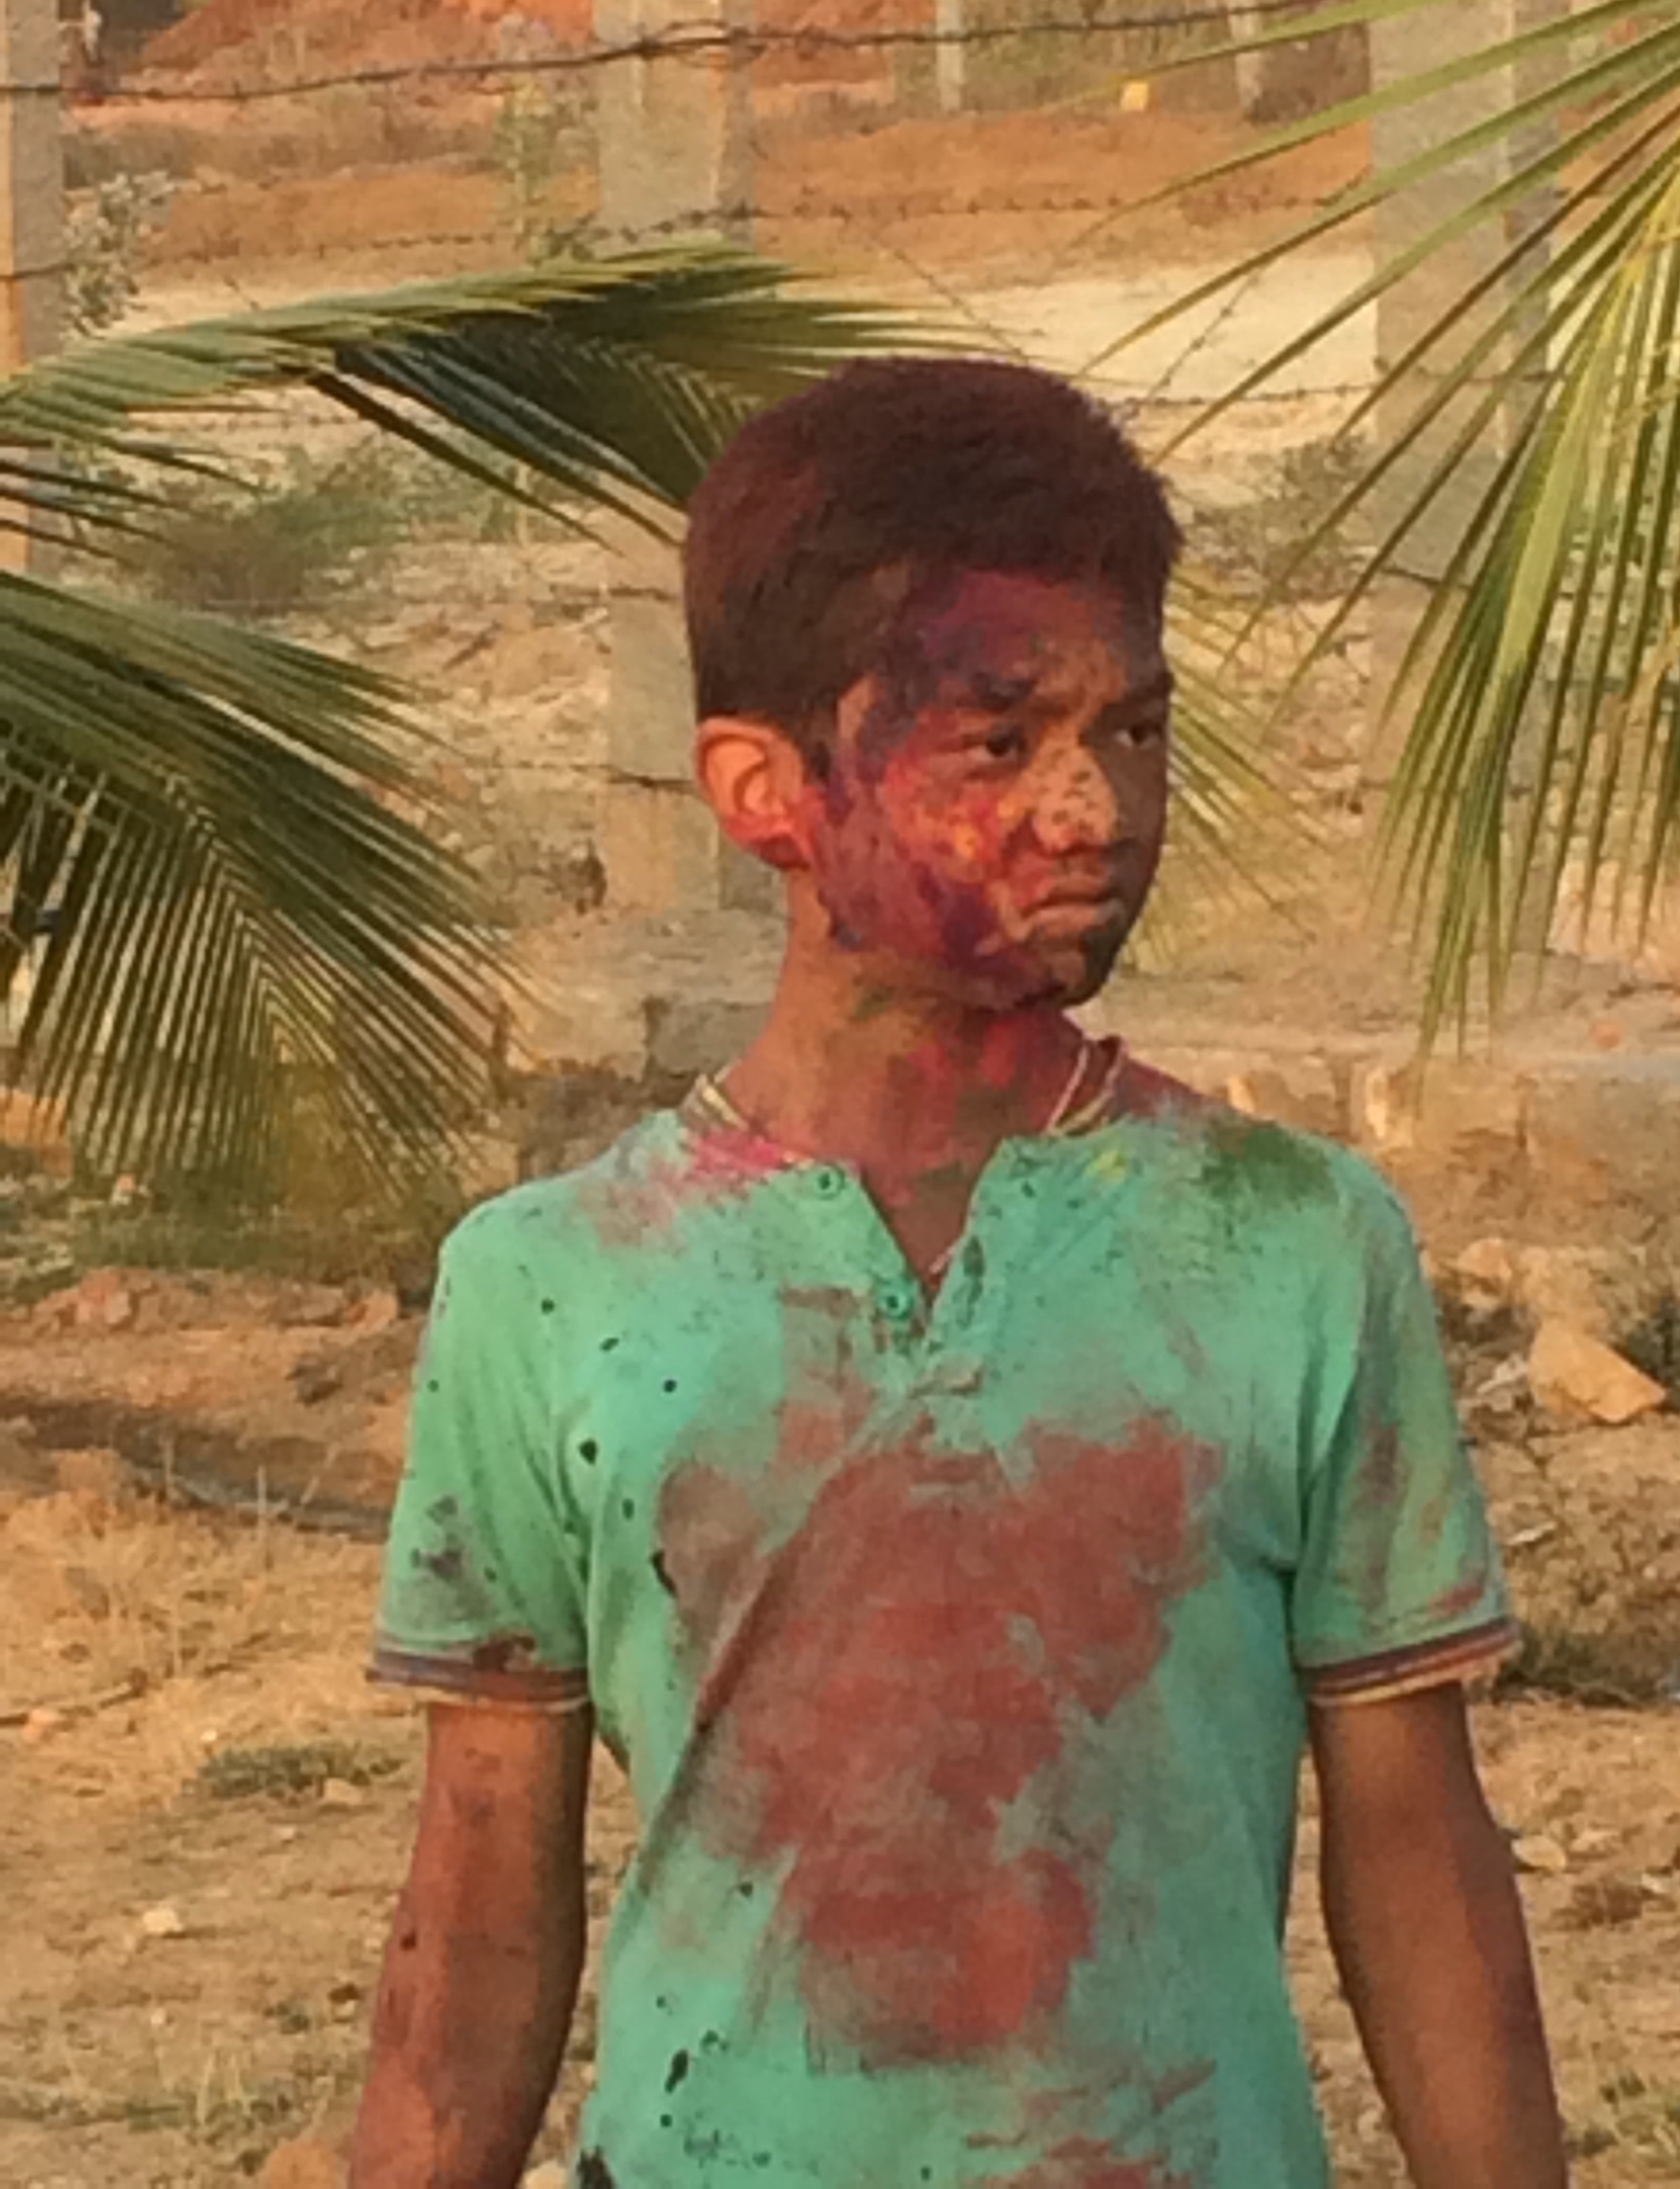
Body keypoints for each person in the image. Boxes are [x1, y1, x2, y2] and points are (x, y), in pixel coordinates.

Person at [351, 359, 1567, 2189]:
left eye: (1133, 731)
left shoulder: (1294, 1243)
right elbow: (476, 1915)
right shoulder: (552, 1286)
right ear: (763, 790)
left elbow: (1417, 1850)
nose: (1095, 808)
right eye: (998, 744)